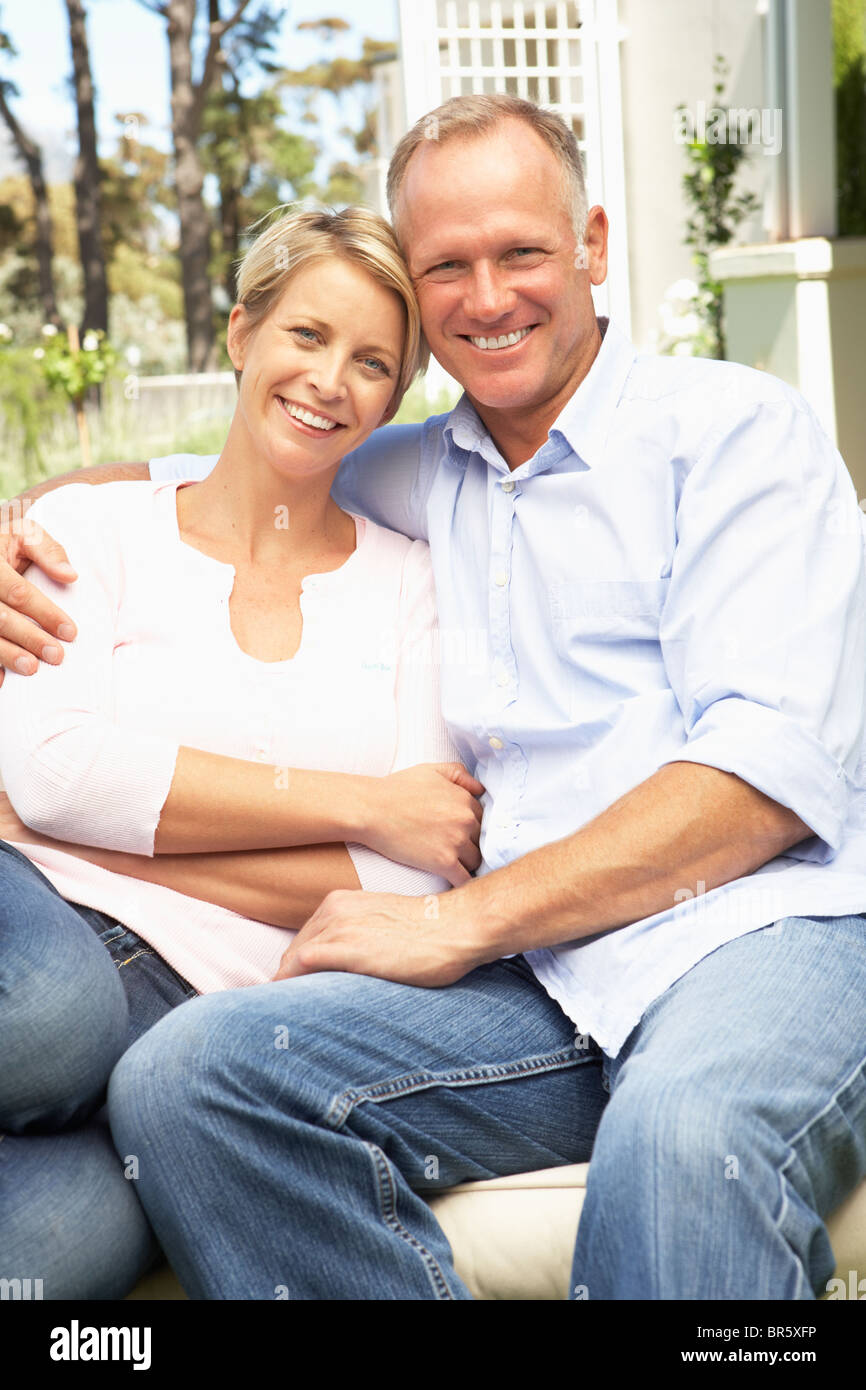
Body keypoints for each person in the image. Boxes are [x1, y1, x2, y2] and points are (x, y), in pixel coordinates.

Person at [2, 92, 866, 1302]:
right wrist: (23, 525)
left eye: (519, 250)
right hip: (538, 984)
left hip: (754, 936)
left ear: (593, 245)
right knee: (189, 1076)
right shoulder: (416, 470)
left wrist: (458, 920)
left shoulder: (730, 433)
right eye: (444, 267)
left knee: (685, 1144)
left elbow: (757, 780)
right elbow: (234, 464)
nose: (487, 296)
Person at [0, 204, 485, 1299]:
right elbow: (58, 771)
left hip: (196, 1031)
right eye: (306, 336)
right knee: (49, 1019)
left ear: (396, 397)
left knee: (42, 1254)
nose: (329, 380)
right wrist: (357, 803)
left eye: (372, 362)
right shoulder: (93, 524)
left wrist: (93, 838)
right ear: (239, 334)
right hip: (35, 924)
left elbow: (400, 879)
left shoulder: (411, 581)